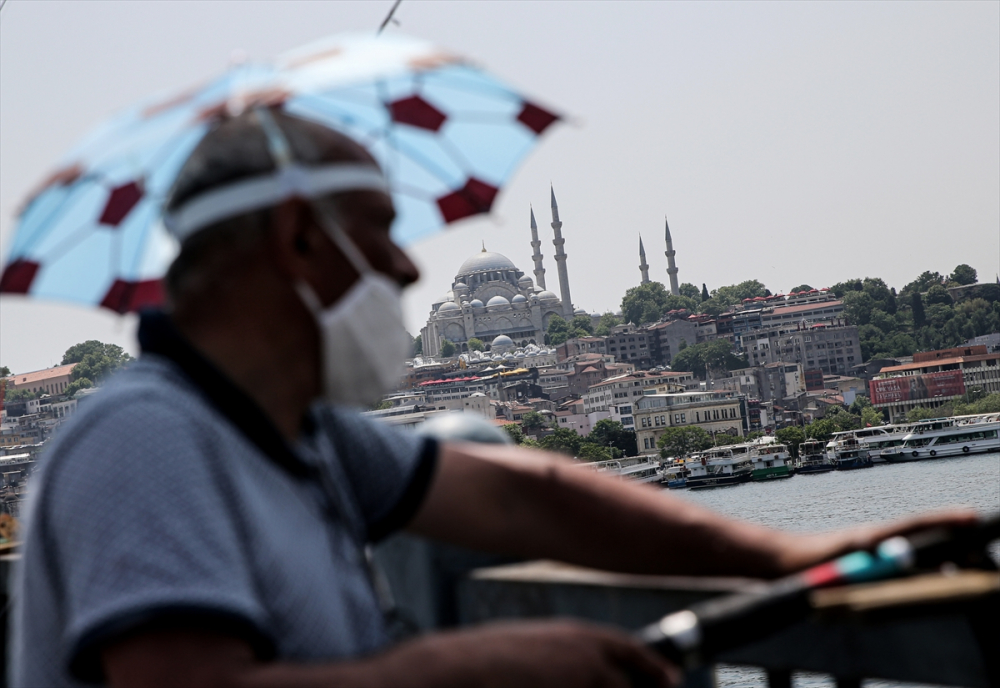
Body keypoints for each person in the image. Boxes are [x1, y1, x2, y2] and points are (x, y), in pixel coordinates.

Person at [10, 109, 973, 688]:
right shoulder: (145, 438)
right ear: (298, 238)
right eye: (380, 231)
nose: (399, 265)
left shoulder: (303, 437)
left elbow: (521, 495)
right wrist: (472, 668)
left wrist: (794, 552)